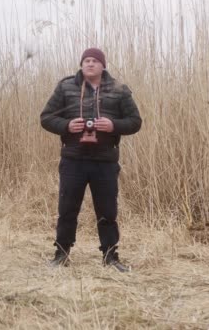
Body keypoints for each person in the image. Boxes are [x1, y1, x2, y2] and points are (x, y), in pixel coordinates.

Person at [40, 48, 142, 272]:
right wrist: (66, 125)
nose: (90, 64)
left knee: (107, 211)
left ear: (102, 65)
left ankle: (110, 257)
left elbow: (135, 122)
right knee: (67, 209)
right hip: (73, 159)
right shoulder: (66, 87)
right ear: (81, 64)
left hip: (105, 161)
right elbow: (46, 118)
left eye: (95, 61)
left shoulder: (119, 90)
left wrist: (113, 125)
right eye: (86, 60)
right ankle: (61, 254)